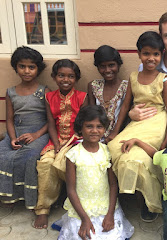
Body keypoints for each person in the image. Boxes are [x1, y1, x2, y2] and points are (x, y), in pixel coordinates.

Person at [106, 31, 167, 221]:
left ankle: (150, 202)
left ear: (161, 55)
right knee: (113, 148)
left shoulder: (164, 79)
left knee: (137, 157)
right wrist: (114, 131)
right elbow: (126, 105)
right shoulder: (133, 77)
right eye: (146, 53)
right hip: (137, 123)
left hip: (157, 124)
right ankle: (132, 197)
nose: (151, 58)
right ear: (139, 54)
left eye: (155, 54)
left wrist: (166, 139)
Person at [58, 105, 134, 240]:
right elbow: (70, 190)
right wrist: (85, 219)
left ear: (104, 129)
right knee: (83, 236)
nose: (94, 131)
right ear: (81, 128)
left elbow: (112, 185)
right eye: (89, 126)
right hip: (82, 208)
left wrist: (110, 214)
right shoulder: (73, 155)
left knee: (112, 235)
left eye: (99, 126)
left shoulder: (107, 151)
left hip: (106, 206)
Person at [34, 59, 87, 229]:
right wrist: (56, 143)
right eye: (61, 75)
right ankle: (43, 209)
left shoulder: (82, 97)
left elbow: (84, 124)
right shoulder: (49, 97)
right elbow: (50, 123)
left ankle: (75, 202)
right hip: (55, 140)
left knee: (67, 163)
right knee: (45, 164)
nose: (66, 79)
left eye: (71, 76)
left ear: (76, 79)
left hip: (75, 141)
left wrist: (70, 143)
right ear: (54, 77)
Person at [0, 46, 49, 209]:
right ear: (16, 68)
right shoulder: (11, 92)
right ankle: (8, 196)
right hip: (16, 132)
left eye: (31, 67)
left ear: (38, 69)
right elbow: (9, 119)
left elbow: (52, 120)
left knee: (30, 156)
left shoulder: (44, 91)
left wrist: (36, 134)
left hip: (40, 132)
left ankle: (28, 198)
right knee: (3, 155)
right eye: (22, 66)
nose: (26, 71)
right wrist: (12, 138)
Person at [87, 45, 128, 139]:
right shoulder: (93, 86)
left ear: (118, 65)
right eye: (102, 66)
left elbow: (125, 114)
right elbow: (92, 114)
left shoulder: (126, 86)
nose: (107, 70)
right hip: (96, 135)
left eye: (111, 65)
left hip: (118, 134)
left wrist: (114, 133)